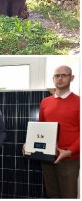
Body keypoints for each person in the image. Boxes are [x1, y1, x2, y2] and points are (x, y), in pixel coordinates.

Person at [39, 65, 80, 198]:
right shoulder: (45, 102)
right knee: (52, 195)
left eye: (64, 75)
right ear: (53, 79)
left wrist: (69, 151)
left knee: (68, 196)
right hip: (48, 158)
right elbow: (41, 128)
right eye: (57, 76)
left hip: (69, 159)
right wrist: (30, 144)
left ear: (71, 78)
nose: (60, 78)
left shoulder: (79, 102)